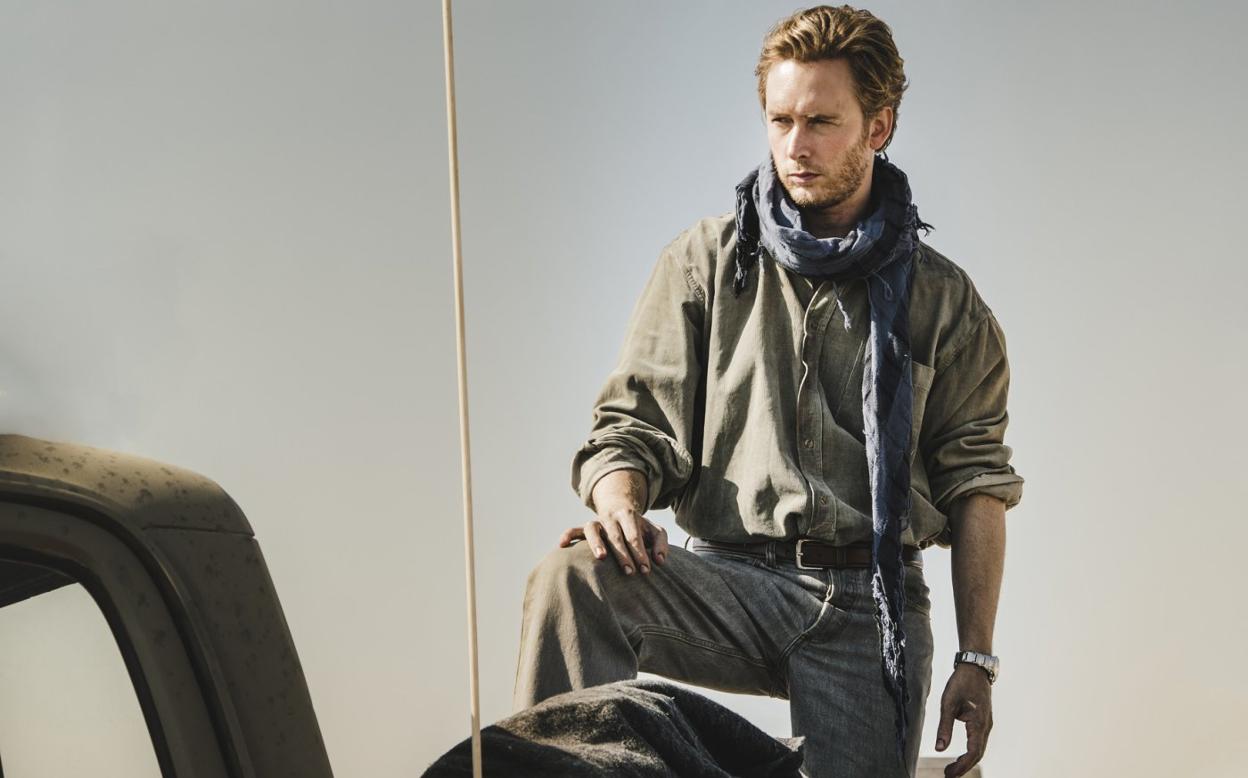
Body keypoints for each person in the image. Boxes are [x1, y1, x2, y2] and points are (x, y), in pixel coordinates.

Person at [512, 5, 1023, 777]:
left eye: (821, 122)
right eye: (780, 120)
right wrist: (619, 502)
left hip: (871, 609)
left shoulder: (946, 304)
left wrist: (976, 659)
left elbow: (976, 484)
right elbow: (633, 425)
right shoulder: (703, 264)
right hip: (731, 581)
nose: (795, 145)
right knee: (575, 577)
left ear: (879, 126)